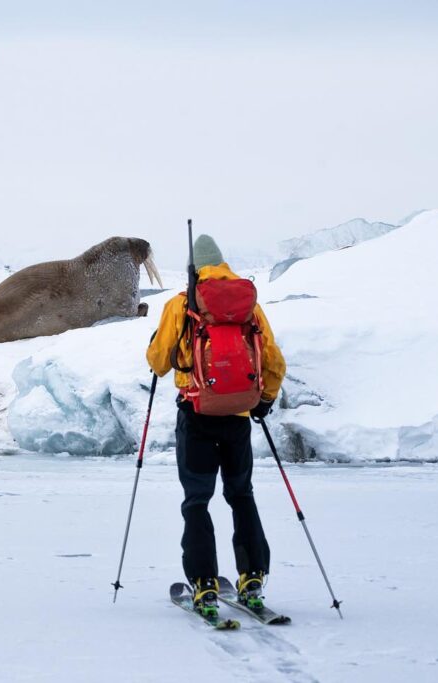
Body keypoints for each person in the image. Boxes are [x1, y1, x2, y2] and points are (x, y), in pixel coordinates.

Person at [146, 234, 286, 615]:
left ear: (194, 269)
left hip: (196, 415)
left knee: (197, 501)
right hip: (239, 416)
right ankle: (252, 576)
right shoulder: (249, 307)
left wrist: (157, 344)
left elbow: (159, 362)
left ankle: (204, 583)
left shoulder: (181, 304)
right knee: (242, 496)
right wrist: (264, 401)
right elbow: (273, 361)